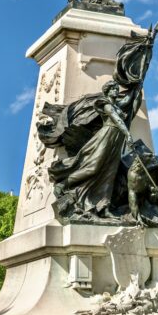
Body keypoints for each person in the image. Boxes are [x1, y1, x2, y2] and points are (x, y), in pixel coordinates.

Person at [48, 80, 133, 219]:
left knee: (110, 173)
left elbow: (128, 101)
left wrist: (136, 87)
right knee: (93, 167)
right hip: (106, 136)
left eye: (117, 89)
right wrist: (127, 134)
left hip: (117, 140)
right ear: (107, 91)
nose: (116, 91)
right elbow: (117, 119)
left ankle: (104, 207)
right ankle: (64, 184)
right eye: (113, 89)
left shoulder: (117, 105)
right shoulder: (105, 104)